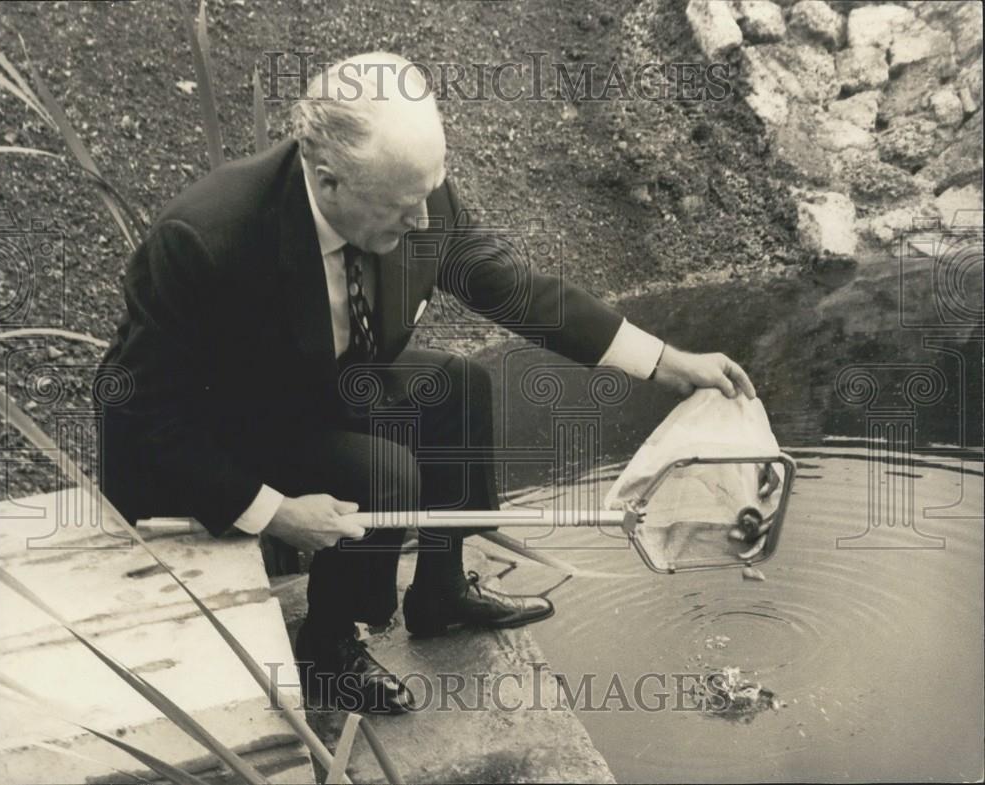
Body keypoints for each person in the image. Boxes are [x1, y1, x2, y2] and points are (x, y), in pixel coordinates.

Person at [97, 52, 755, 715]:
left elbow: (519, 293)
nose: (422, 225)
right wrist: (272, 510)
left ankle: (439, 591)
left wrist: (670, 360)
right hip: (215, 434)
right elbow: (142, 412)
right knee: (384, 472)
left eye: (426, 200)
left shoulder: (416, 195)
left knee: (458, 386)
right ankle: (329, 646)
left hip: (318, 384)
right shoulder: (208, 238)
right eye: (401, 209)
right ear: (327, 181)